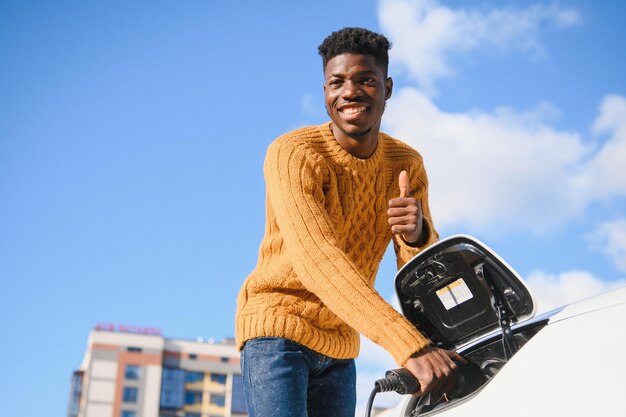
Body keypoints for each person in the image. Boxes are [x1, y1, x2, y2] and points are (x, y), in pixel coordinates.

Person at [235, 27, 463, 417]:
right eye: (336, 82)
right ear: (325, 92)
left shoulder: (406, 164)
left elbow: (418, 276)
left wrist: (416, 234)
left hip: (341, 342)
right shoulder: (293, 153)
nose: (349, 92)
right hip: (276, 332)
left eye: (366, 80)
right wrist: (411, 346)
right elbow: (317, 260)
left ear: (387, 88)